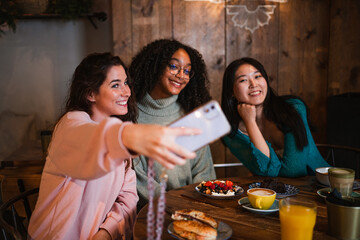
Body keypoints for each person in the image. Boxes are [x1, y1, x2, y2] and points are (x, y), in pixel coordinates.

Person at [27, 53, 200, 240]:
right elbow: (93, 138)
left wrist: (107, 232)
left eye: (126, 83)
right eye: (116, 85)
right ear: (90, 93)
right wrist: (130, 136)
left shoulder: (117, 133)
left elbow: (128, 197)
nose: (126, 92)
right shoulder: (70, 125)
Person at [129, 39, 216, 210]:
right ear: (155, 66)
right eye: (174, 66)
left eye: (187, 71)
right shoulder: (130, 115)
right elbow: (138, 179)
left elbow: (204, 172)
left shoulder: (192, 115)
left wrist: (196, 205)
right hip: (150, 213)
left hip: (194, 209)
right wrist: (176, 205)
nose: (181, 75)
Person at [221, 57, 330, 177]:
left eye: (257, 76)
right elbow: (267, 171)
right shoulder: (233, 134)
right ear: (231, 91)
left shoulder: (292, 108)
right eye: (243, 80)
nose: (253, 84)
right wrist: (250, 122)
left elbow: (294, 171)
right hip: (273, 192)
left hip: (317, 185)